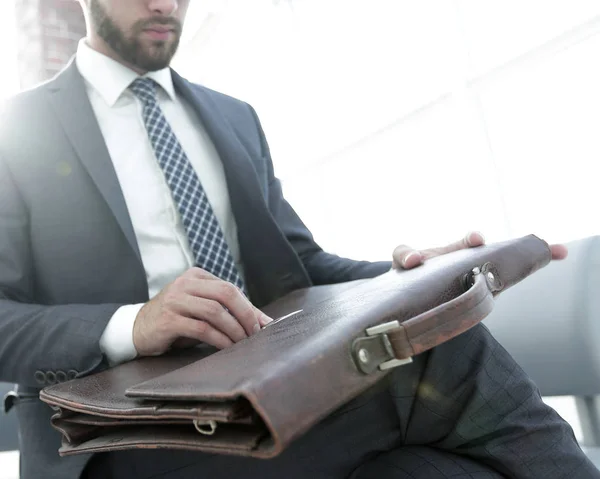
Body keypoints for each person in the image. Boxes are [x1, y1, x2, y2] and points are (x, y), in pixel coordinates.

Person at [0, 1, 595, 478]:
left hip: (270, 380)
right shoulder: (18, 131)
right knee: (448, 355)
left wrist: (406, 276)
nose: (165, 5)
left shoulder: (233, 117)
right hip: (123, 429)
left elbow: (300, 265)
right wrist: (133, 324)